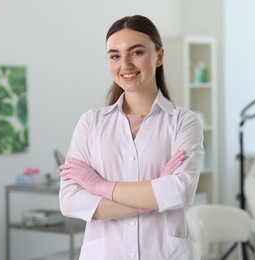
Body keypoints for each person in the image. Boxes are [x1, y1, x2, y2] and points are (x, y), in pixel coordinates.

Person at [59, 15, 204, 260]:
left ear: (159, 56)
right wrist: (155, 195)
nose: (125, 64)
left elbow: (179, 192)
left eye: (136, 52)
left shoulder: (184, 122)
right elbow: (70, 200)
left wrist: (99, 187)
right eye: (115, 55)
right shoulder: (91, 123)